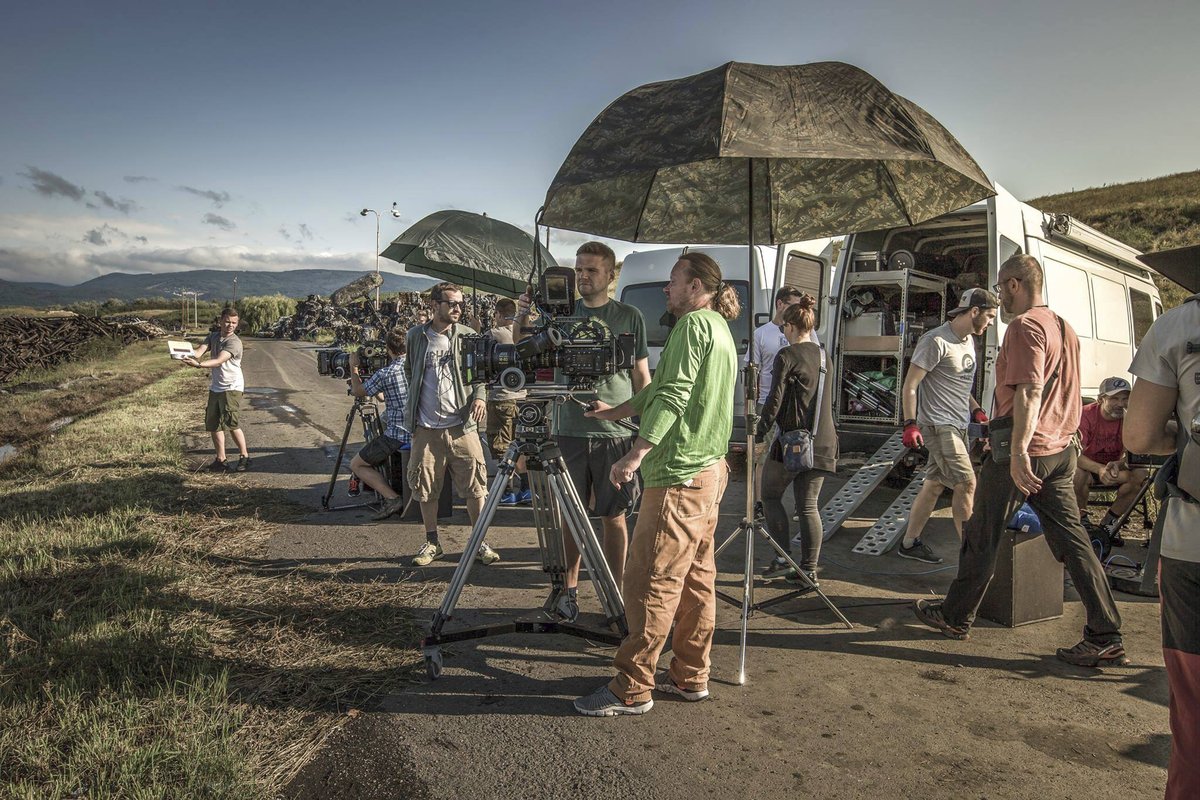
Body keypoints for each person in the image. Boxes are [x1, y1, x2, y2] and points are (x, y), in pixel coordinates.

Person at [912, 254, 1126, 667]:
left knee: (982, 532)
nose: (998, 300)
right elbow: (1068, 392)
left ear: (1014, 284)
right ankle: (1105, 632)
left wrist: (1018, 453)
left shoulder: (1025, 327)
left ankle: (955, 617)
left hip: (1027, 448)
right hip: (1062, 450)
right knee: (1073, 541)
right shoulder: (1064, 327)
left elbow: (1029, 393)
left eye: (999, 288)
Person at [572, 251, 737, 717]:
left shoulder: (691, 327)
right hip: (709, 470)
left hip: (680, 475)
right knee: (696, 580)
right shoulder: (719, 327)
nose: (666, 289)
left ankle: (631, 687)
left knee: (650, 581)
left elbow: (673, 392)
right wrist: (615, 411)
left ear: (696, 285)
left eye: (673, 281)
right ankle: (690, 675)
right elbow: (661, 386)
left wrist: (636, 452)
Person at [518, 241, 651, 621]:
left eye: (592, 270)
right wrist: (523, 318)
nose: (583, 276)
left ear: (610, 275)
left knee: (614, 516)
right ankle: (567, 593)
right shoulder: (559, 314)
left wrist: (643, 429)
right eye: (578, 269)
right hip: (569, 428)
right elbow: (525, 351)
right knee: (571, 517)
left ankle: (615, 595)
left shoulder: (629, 316)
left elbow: (641, 375)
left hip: (615, 431)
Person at [1123, 289, 1200, 800]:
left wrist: (1186, 438)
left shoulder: (1178, 324)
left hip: (1194, 540)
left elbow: (1140, 436)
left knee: (1194, 718)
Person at [896, 288, 998, 564]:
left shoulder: (968, 341)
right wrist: (910, 423)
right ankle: (972, 557)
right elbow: (911, 384)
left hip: (958, 424)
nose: (990, 323)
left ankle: (908, 543)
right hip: (939, 425)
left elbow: (958, 384)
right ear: (973, 312)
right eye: (988, 316)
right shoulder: (935, 340)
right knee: (966, 483)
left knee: (934, 485)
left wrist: (975, 408)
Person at [401, 282, 498, 567]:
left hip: (462, 426)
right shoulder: (415, 337)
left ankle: (479, 541)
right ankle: (432, 542)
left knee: (476, 486)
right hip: (426, 428)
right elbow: (410, 370)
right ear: (434, 305)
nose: (458, 308)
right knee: (425, 486)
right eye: (452, 303)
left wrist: (480, 398)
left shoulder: (468, 335)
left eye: (460, 304)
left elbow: (481, 375)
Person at [755, 295, 837, 585]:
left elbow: (774, 400)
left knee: (770, 495)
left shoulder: (787, 355)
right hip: (824, 440)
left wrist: (759, 431)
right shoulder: (824, 355)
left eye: (782, 328)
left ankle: (783, 559)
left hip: (793, 442)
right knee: (808, 506)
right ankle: (809, 570)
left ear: (790, 327)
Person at [747, 286, 804, 511]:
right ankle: (759, 504)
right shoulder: (761, 334)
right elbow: (752, 371)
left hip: (795, 404)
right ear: (780, 304)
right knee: (762, 457)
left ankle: (800, 506)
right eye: (792, 305)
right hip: (766, 403)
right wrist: (751, 406)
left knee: (798, 455)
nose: (797, 310)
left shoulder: (804, 331)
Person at [346, 327, 410, 518]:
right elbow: (382, 398)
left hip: (398, 435)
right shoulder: (419, 367)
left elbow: (358, 391)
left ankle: (392, 498)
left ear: (389, 350)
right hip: (423, 431)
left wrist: (354, 368)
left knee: (357, 464)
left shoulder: (386, 373)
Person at [1073, 376, 1145, 535]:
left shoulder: (1131, 418)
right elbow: (1075, 454)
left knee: (1141, 475)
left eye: (1125, 398)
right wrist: (1099, 469)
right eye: (1114, 398)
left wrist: (1118, 464)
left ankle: (1109, 524)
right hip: (1088, 466)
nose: (1120, 403)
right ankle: (1083, 520)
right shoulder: (1084, 415)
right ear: (1100, 399)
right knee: (1076, 474)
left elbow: (1135, 455)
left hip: (1114, 467)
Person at [184, 306, 249, 472]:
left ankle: (244, 456)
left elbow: (219, 360)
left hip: (231, 387)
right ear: (220, 320)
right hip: (216, 387)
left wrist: (199, 366)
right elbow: (198, 352)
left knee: (231, 423)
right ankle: (221, 460)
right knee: (213, 424)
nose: (230, 325)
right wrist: (180, 352)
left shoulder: (234, 342)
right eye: (227, 321)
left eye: (234, 323)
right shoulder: (213, 336)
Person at [485, 297, 531, 506]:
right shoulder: (523, 335)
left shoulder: (494, 334)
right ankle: (527, 489)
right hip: (522, 398)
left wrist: (478, 329)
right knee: (520, 445)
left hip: (501, 399)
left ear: (499, 315)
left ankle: (506, 491)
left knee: (502, 446)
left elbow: (480, 356)